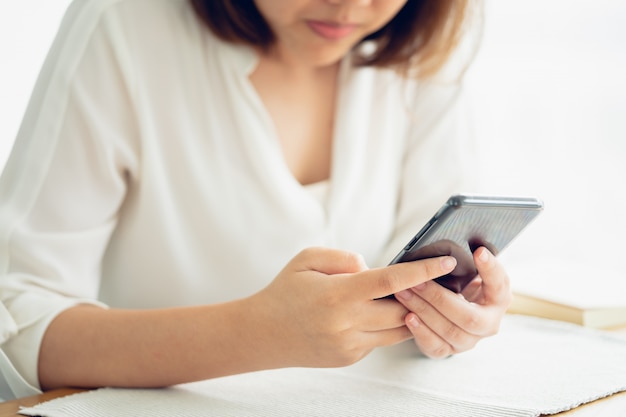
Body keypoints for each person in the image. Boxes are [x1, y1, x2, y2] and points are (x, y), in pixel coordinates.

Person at [0, 0, 512, 401]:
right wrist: (256, 334)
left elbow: (441, 274)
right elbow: (17, 323)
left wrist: (450, 320)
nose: (351, 4)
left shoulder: (418, 50)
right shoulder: (124, 27)